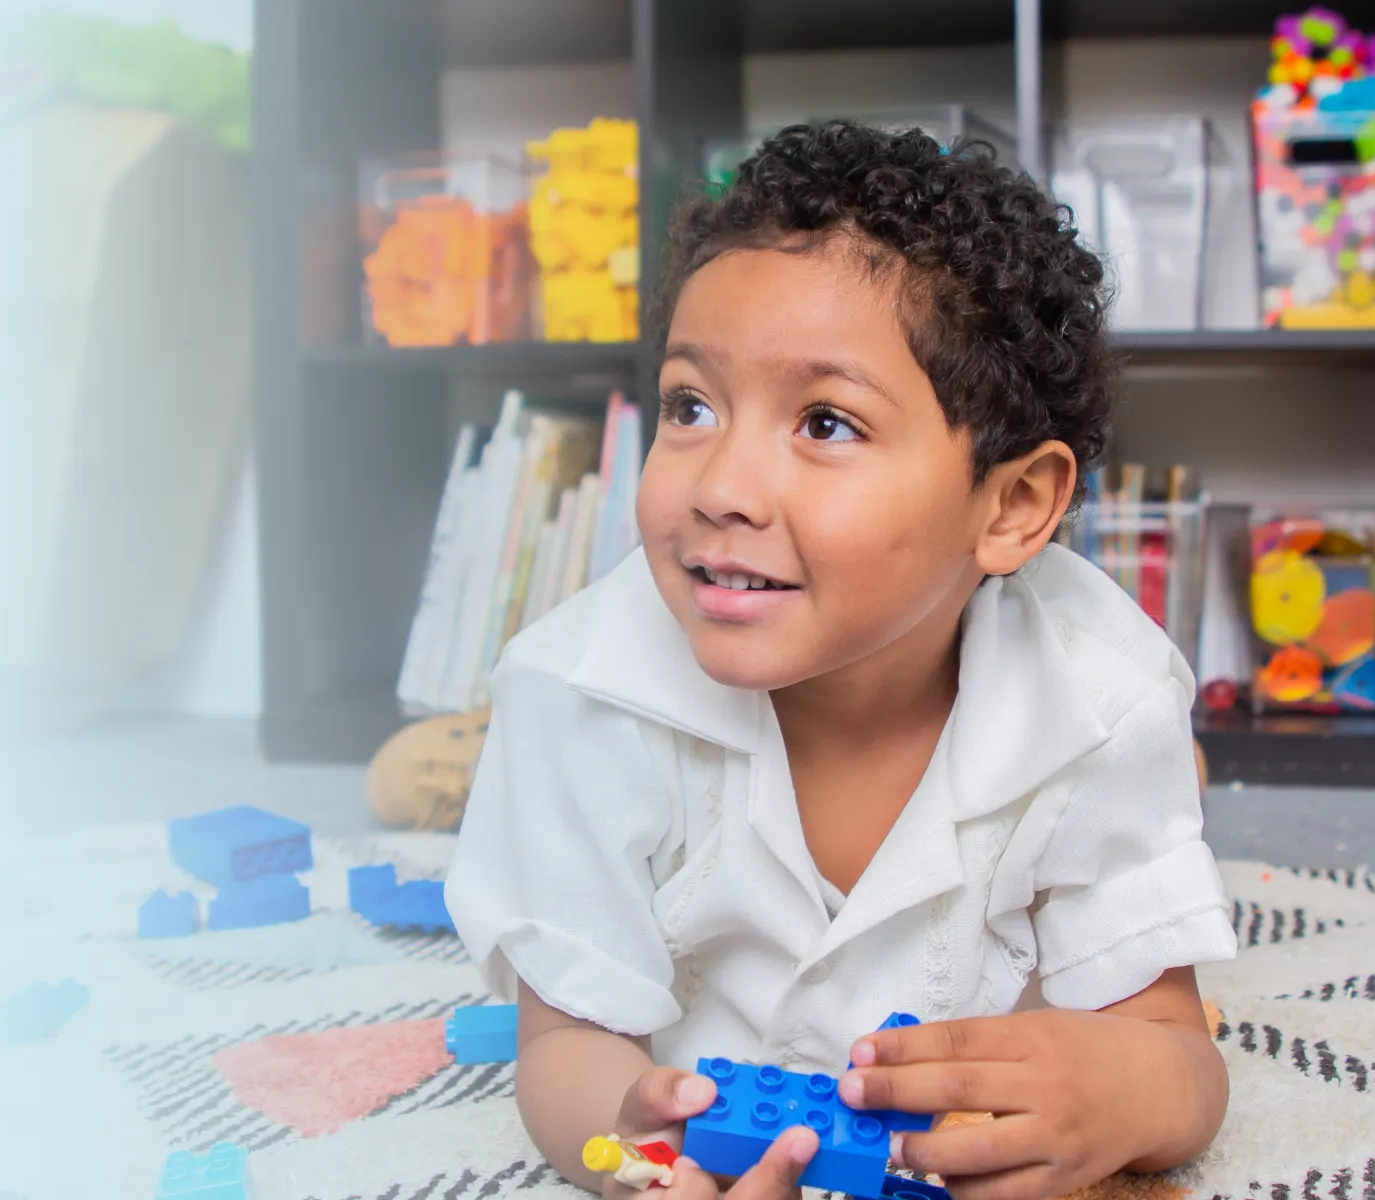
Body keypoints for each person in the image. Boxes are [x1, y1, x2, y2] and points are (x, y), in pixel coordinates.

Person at [442, 120, 1237, 1200]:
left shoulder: (1101, 696)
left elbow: (1183, 1064)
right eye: (691, 405)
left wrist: (1125, 1095)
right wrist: (629, 1155)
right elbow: (564, 1051)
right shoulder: (575, 694)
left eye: (824, 422)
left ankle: (1164, 832)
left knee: (1137, 895)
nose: (721, 483)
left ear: (1009, 507)